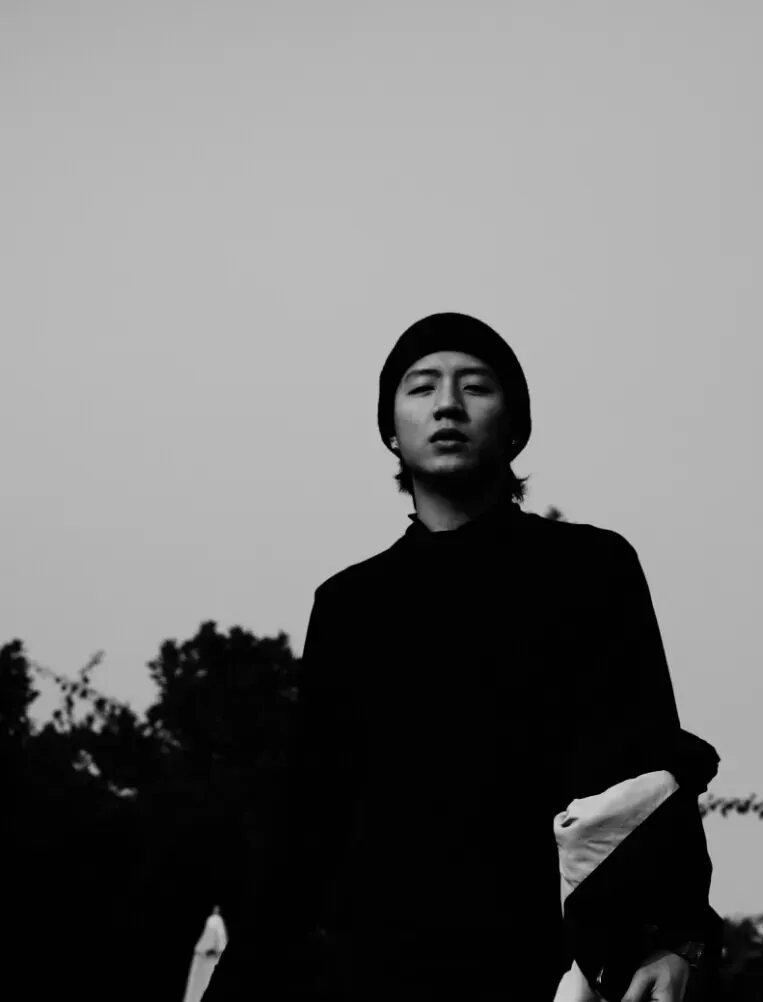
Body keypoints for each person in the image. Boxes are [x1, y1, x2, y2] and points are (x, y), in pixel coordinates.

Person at [205, 313, 723, 1001]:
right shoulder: (349, 605)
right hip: (383, 969)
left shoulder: (590, 568)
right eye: (422, 387)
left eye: (474, 386)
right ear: (392, 431)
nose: (447, 405)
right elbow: (311, 817)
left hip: (559, 967)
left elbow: (651, 764)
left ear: (515, 428)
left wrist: (679, 933)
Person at [183, 906, 228, 1002]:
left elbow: (221, 946)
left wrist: (209, 953)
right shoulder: (213, 920)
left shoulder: (216, 921)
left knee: (197, 990)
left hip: (206, 960)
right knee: (194, 990)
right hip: (202, 958)